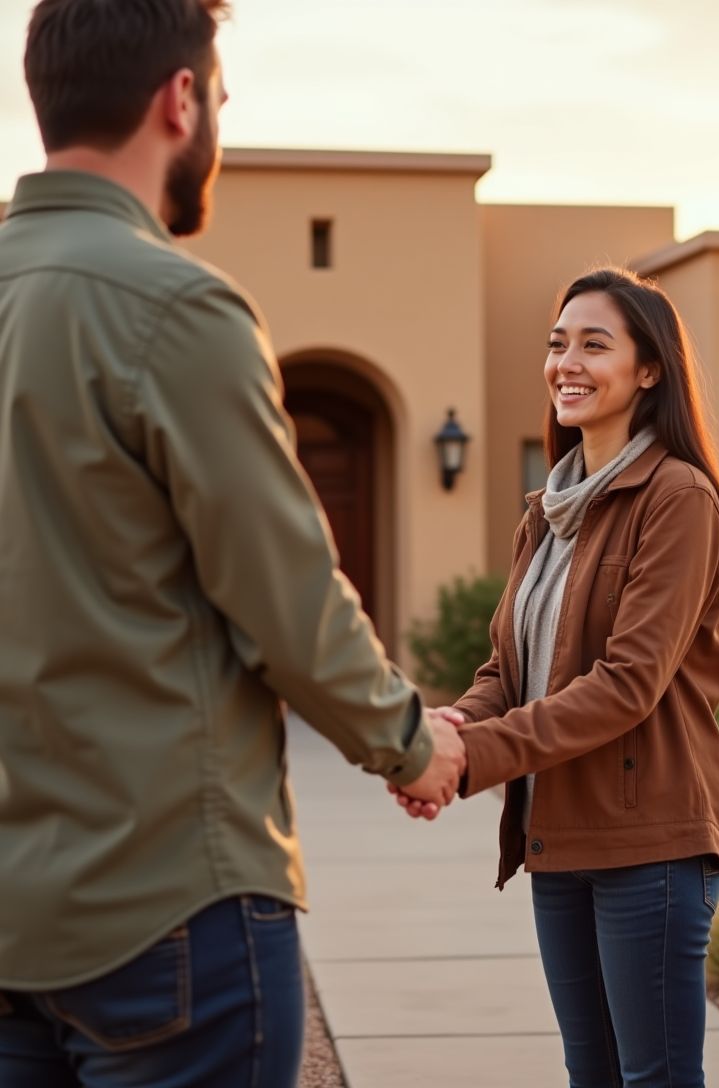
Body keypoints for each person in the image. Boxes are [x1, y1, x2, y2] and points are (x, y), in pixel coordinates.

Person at [0, 2, 465, 1086]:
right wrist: (411, 738)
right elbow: (284, 594)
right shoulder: (173, 307)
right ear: (180, 99)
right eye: (219, 98)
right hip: (166, 903)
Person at [395, 267, 719, 1088]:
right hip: (558, 839)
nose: (568, 362)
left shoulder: (677, 497)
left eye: (596, 344)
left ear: (649, 369)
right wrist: (444, 731)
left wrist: (475, 759)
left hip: (652, 846)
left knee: (653, 1079)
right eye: (558, 344)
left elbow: (628, 682)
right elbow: (508, 670)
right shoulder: (552, 509)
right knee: (591, 1076)